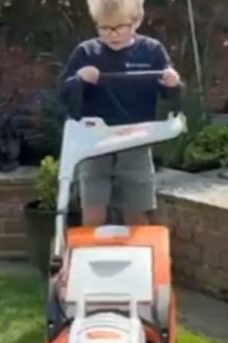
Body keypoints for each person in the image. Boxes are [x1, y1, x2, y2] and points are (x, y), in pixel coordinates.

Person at [58, 0, 183, 227]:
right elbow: (63, 95)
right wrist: (79, 79)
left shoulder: (151, 51)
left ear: (136, 22)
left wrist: (173, 83)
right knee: (93, 213)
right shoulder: (87, 52)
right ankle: (93, 257)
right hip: (95, 144)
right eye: (104, 28)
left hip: (136, 139)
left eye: (119, 27)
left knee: (137, 214)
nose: (112, 34)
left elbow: (171, 95)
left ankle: (138, 259)